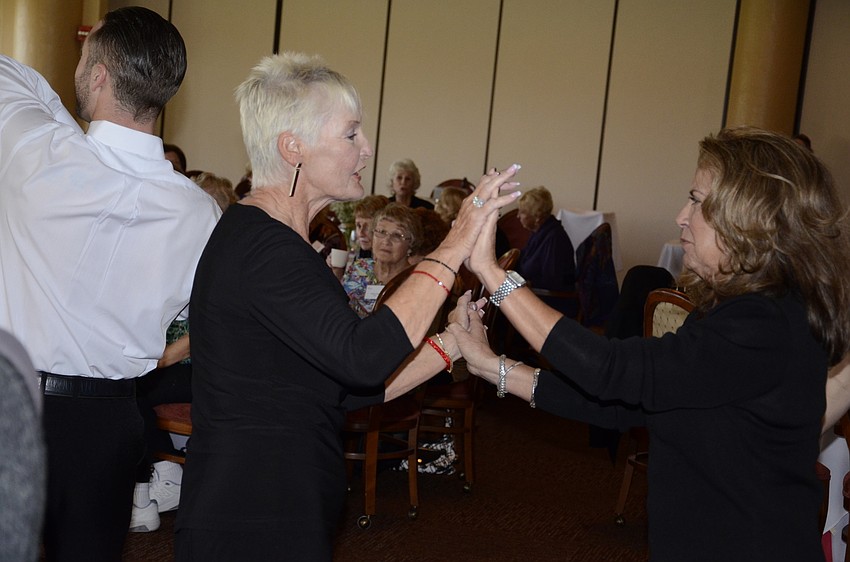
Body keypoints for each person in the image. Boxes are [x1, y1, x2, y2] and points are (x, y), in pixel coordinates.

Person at [173, 52, 520, 560]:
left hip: (274, 503)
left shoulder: (277, 244)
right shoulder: (264, 249)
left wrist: (449, 345)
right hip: (250, 513)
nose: (367, 149)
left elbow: (344, 386)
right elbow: (361, 357)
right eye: (351, 134)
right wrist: (456, 242)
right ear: (293, 148)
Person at [449, 126, 850, 562]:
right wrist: (491, 366)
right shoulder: (740, 311)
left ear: (747, 215)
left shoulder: (767, 321)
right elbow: (621, 403)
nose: (681, 215)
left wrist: (492, 272)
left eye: (696, 200)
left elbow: (609, 368)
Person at [0, 7, 221, 560]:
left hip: (13, 406)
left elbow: (14, 79)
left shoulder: (35, 150)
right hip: (109, 418)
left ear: (98, 75)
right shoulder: (199, 212)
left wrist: (57, 115)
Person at [130, 171, 238, 533]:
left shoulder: (224, 259)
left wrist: (155, 359)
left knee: (133, 387)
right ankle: (165, 472)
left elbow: (198, 333)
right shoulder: (184, 254)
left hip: (206, 366)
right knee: (123, 382)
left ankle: (145, 493)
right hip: (174, 359)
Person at [342, 203, 423, 318]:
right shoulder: (358, 268)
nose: (386, 241)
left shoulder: (415, 281)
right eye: (381, 232)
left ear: (411, 244)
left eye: (397, 235)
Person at [516, 187, 576, 312]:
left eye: (522, 212)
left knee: (498, 304)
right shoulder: (538, 232)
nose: (518, 216)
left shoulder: (554, 238)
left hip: (549, 303)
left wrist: (525, 285)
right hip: (534, 296)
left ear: (536, 216)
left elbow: (551, 282)